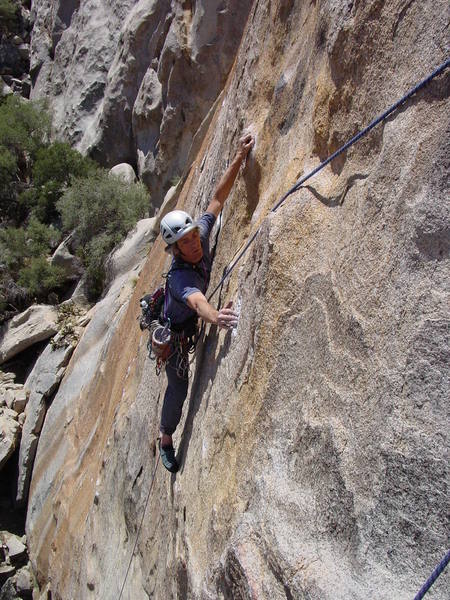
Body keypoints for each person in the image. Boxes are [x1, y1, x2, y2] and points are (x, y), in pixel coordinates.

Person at [158, 133, 254, 472]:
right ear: (176, 250)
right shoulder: (180, 278)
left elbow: (216, 199)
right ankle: (165, 437)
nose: (195, 243)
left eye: (194, 237)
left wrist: (239, 158)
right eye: (186, 243)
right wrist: (217, 317)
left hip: (189, 318)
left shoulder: (198, 232)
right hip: (176, 336)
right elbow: (198, 303)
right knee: (179, 385)